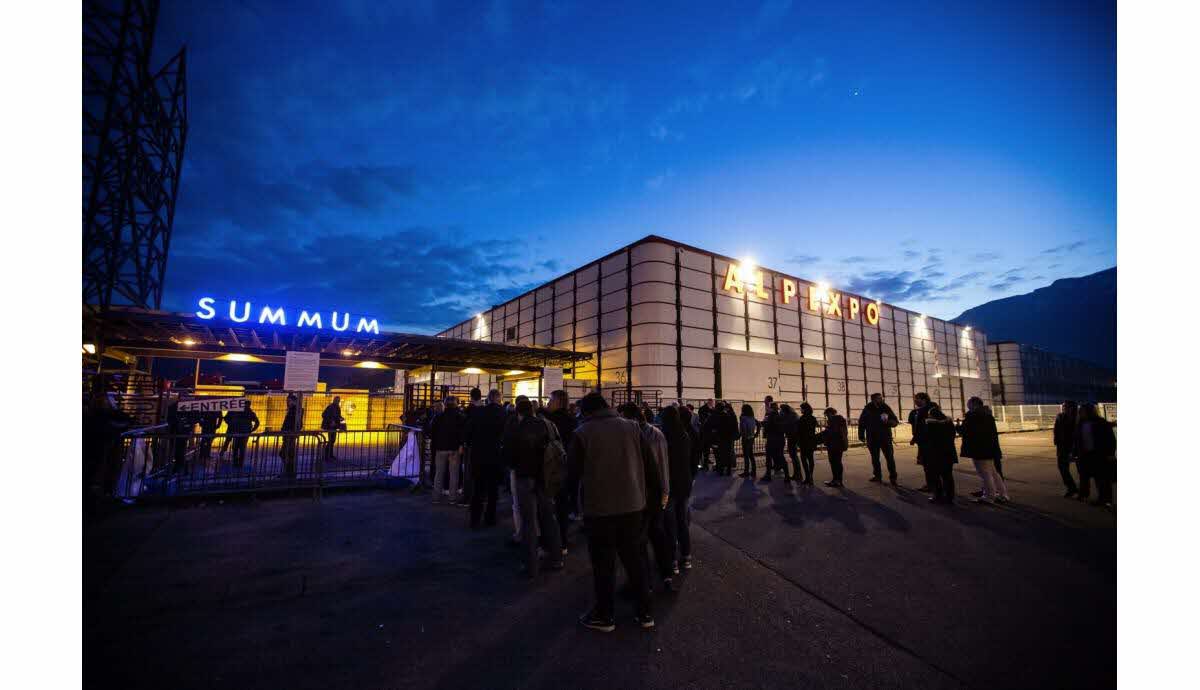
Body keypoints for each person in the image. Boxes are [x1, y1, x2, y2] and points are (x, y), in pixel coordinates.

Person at [572, 393, 661, 631]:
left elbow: (572, 475)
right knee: (634, 561)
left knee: (603, 563)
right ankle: (645, 614)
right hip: (633, 506)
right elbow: (651, 467)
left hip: (599, 509)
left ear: (588, 411)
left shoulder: (582, 433)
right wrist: (654, 502)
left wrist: (572, 506)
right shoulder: (633, 427)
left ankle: (605, 615)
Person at [503, 397, 564, 578]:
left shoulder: (516, 428)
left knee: (529, 522)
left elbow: (508, 455)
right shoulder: (548, 425)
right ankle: (556, 557)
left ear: (519, 413)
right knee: (549, 517)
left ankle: (531, 565)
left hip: (524, 477)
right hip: (545, 477)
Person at [620, 403, 673, 592]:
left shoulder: (633, 436)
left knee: (639, 541)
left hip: (640, 495)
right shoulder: (656, 434)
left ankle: (644, 584)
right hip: (656, 493)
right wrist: (665, 491)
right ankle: (666, 574)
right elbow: (664, 465)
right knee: (657, 535)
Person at [83, 384, 132, 516]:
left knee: (97, 475)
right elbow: (125, 422)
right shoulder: (99, 418)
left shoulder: (92, 417)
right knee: (97, 476)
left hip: (97, 453)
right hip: (98, 452)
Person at [464, 389, 506, 528]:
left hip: (479, 455)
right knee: (493, 490)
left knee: (478, 489)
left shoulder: (479, 412)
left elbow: (468, 432)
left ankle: (474, 520)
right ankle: (490, 518)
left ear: (488, 398)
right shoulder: (503, 413)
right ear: (499, 399)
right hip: (495, 455)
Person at [662, 405, 696, 571]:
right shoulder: (684, 435)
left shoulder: (664, 436)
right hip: (684, 483)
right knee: (682, 520)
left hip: (669, 485)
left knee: (669, 524)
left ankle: (671, 561)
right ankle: (686, 556)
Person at [545, 390, 579, 551]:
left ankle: (551, 544)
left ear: (557, 401)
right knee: (563, 507)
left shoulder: (549, 420)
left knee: (548, 508)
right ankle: (563, 542)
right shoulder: (573, 421)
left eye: (550, 400)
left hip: (551, 469)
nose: (548, 403)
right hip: (569, 468)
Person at [959, 397, 1009, 504]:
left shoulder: (974, 416)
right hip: (990, 448)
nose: (967, 406)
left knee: (985, 474)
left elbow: (966, 431)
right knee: (994, 473)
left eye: (968, 404)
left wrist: (957, 427)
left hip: (979, 449)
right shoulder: (987, 414)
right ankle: (1002, 494)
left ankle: (989, 496)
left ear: (974, 404)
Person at [1074, 402, 1116, 507]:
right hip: (1085, 455)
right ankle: (1084, 494)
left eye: (1082, 411)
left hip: (1099, 455)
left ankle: (1106, 499)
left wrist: (1110, 453)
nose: (1081, 413)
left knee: (1102, 478)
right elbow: (1077, 440)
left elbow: (1110, 439)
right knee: (1084, 476)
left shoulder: (1101, 423)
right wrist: (1075, 453)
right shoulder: (1080, 424)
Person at [427, 397, 465, 505]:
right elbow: (463, 433)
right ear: (456, 404)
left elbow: (431, 431)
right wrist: (461, 445)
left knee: (439, 473)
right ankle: (452, 498)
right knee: (454, 474)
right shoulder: (460, 417)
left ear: (445, 404)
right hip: (454, 449)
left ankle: (436, 497)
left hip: (440, 449)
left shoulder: (438, 417)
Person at [920, 399, 959, 504]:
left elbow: (926, 439)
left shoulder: (930, 425)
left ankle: (937, 495)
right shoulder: (949, 424)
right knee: (948, 476)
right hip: (948, 453)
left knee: (935, 476)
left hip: (934, 454)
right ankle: (950, 497)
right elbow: (952, 436)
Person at [858, 393, 900, 485]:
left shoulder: (885, 408)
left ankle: (893, 478)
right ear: (873, 399)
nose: (881, 399)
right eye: (879, 398)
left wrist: (887, 422)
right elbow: (861, 422)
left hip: (885, 437)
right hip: (872, 438)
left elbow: (895, 421)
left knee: (889, 458)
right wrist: (861, 435)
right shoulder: (867, 409)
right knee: (875, 458)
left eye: (881, 398)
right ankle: (877, 476)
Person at [1053, 400, 1079, 498]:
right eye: (1063, 406)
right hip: (1062, 446)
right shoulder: (1060, 416)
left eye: (1066, 406)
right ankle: (1071, 487)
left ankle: (1082, 490)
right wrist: (1056, 441)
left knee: (1082, 470)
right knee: (1062, 467)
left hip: (1075, 446)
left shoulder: (1077, 417)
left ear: (1072, 407)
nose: (1064, 408)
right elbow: (1056, 429)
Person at [224, 400, 260, 470]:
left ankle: (236, 462)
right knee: (240, 448)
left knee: (237, 448)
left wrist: (231, 424)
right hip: (242, 432)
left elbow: (226, 418)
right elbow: (257, 422)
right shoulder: (249, 412)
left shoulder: (241, 411)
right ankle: (239, 463)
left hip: (238, 432)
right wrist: (251, 430)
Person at [820, 407, 849, 487]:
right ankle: (839, 480)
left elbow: (833, 432)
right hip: (840, 444)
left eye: (827, 414)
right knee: (838, 462)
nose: (826, 416)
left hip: (834, 445)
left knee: (834, 462)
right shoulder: (841, 419)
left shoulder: (834, 420)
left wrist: (824, 433)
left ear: (830, 413)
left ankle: (835, 480)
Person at [761, 401, 789, 482]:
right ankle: (787, 476)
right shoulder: (781, 416)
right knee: (781, 456)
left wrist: (764, 424)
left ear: (771, 407)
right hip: (780, 438)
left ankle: (768, 475)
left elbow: (768, 427)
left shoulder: (771, 415)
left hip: (772, 439)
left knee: (769, 457)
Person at [908, 398, 930, 492]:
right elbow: (912, 422)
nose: (915, 401)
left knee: (928, 464)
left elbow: (921, 428)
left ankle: (931, 484)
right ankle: (931, 483)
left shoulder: (928, 410)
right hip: (922, 441)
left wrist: (915, 438)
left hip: (927, 441)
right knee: (926, 464)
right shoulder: (916, 411)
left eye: (917, 399)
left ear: (924, 399)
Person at [794, 403, 819, 485]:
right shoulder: (813, 418)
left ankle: (807, 476)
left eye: (801, 408)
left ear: (804, 409)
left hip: (803, 441)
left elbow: (799, 431)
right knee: (810, 459)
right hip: (811, 440)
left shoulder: (802, 418)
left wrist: (798, 441)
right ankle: (810, 476)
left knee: (804, 459)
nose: (800, 410)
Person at [279, 393, 300, 479]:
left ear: (294, 401)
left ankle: (289, 472)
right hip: (287, 434)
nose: (287, 402)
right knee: (285, 453)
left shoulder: (295, 411)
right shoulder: (291, 410)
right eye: (287, 401)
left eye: (289, 401)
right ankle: (288, 472)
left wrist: (289, 431)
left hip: (290, 435)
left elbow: (298, 424)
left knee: (286, 453)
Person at [716, 402, 739, 476]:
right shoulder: (733, 415)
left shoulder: (723, 415)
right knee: (729, 453)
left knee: (722, 454)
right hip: (730, 437)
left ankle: (722, 470)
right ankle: (729, 470)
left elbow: (720, 427)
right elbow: (735, 426)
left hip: (723, 437)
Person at [321, 396, 345, 463]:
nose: (338, 402)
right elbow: (324, 415)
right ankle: (326, 455)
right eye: (337, 400)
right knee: (331, 440)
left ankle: (330, 455)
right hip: (330, 426)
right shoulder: (331, 407)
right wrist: (331, 421)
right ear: (334, 400)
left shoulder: (337, 407)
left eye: (338, 400)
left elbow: (337, 415)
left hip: (334, 426)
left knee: (332, 440)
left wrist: (341, 418)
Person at [738, 404, 758, 478]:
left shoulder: (743, 418)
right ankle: (753, 470)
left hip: (746, 438)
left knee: (746, 455)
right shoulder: (752, 417)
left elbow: (743, 428)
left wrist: (741, 435)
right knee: (751, 455)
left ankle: (746, 472)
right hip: (751, 437)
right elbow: (758, 424)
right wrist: (756, 433)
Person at [698, 399, 715, 470]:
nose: (712, 404)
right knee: (705, 449)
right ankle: (704, 464)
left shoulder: (709, 409)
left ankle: (705, 463)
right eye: (711, 403)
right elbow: (703, 420)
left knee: (706, 449)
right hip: (706, 432)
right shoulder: (704, 409)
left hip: (706, 432)